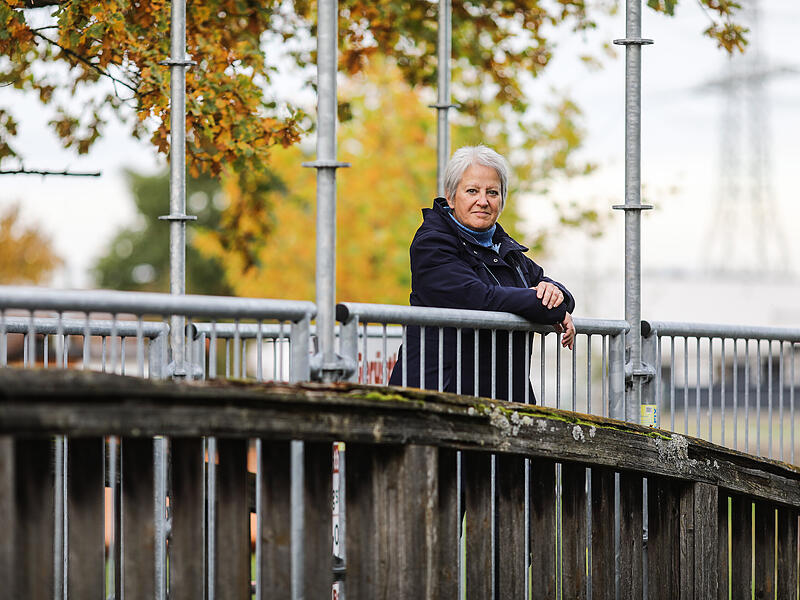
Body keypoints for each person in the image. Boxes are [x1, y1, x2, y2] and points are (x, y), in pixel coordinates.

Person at [388, 145, 575, 403]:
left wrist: (556, 293)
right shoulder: (432, 244)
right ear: (451, 197)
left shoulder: (505, 248)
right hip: (438, 400)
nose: (483, 201)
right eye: (472, 191)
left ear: (502, 200)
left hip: (503, 402)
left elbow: (547, 284)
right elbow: (479, 299)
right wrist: (545, 305)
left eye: (492, 192)